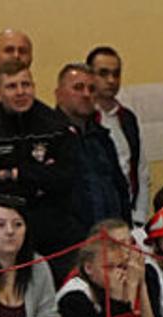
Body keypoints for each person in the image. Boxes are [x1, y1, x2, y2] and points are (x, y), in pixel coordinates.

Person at [0, 60, 80, 278]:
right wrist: (40, 176)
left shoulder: (57, 129)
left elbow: (65, 178)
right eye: (11, 86)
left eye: (25, 85)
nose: (20, 92)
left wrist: (13, 174)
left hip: (58, 238)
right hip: (8, 243)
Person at [54, 64, 130, 234]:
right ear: (59, 94)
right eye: (78, 88)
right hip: (71, 243)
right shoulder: (49, 138)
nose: (86, 94)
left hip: (112, 236)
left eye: (92, 89)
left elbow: (120, 187)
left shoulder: (102, 137)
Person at [88, 46, 148, 228]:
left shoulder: (127, 118)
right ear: (90, 76)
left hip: (128, 214)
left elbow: (140, 170)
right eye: (103, 73)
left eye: (116, 74)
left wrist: (139, 216)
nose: (111, 80)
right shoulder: (84, 120)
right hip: (95, 216)